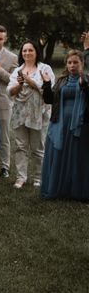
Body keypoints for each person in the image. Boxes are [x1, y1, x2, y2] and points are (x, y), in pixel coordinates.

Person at [41, 50, 89, 200]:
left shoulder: (87, 80)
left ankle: (77, 191)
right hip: (60, 123)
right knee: (60, 156)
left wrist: (84, 86)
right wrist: (47, 83)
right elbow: (49, 99)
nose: (72, 66)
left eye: (76, 62)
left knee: (77, 157)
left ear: (82, 64)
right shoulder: (62, 80)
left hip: (80, 125)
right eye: (69, 62)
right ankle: (59, 189)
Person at [7, 41, 55, 189]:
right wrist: (20, 84)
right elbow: (10, 92)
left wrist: (31, 81)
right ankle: (21, 177)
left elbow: (49, 91)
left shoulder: (45, 68)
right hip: (20, 112)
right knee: (21, 146)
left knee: (38, 147)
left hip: (38, 113)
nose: (27, 53)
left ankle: (39, 177)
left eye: (30, 50)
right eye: (24, 51)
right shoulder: (17, 71)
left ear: (36, 52)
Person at [0, 25, 18, 178]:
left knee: (3, 134)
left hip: (2, 101)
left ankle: (5, 166)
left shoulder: (12, 57)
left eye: (0, 39)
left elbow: (14, 80)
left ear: (5, 40)